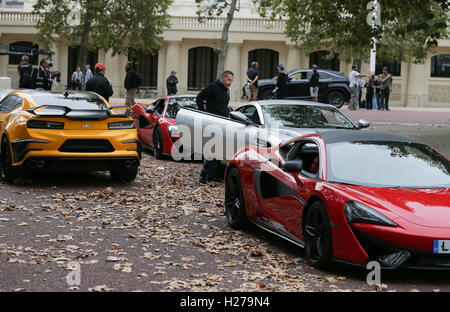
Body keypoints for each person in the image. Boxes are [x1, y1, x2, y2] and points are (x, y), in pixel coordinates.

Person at [196, 70, 234, 184]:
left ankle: (212, 175)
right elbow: (199, 97)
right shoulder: (213, 87)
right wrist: (204, 113)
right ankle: (204, 174)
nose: (230, 82)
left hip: (223, 123)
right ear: (222, 78)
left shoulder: (226, 90)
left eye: (231, 80)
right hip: (212, 123)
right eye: (229, 80)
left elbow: (223, 105)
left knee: (219, 150)